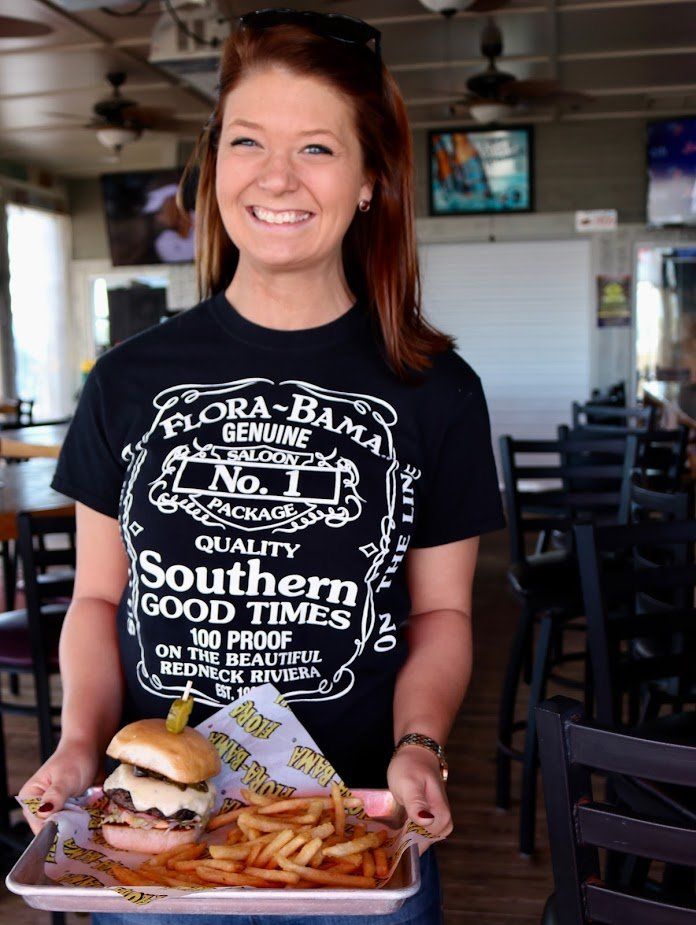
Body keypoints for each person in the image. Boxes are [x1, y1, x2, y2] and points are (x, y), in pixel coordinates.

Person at [19, 9, 505, 924]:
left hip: (349, 838)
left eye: (317, 148)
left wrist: (418, 744)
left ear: (370, 181)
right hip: (155, 848)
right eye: (248, 141)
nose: (276, 176)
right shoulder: (128, 380)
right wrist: (79, 743)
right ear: (213, 171)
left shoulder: (437, 390)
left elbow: (441, 610)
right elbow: (97, 599)